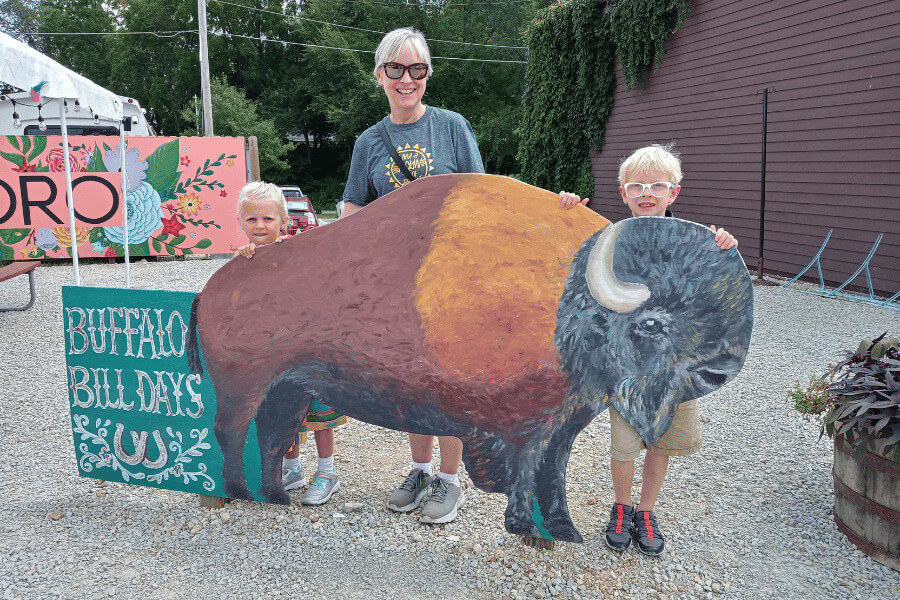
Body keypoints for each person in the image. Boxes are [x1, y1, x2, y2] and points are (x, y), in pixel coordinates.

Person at [340, 27, 585, 524]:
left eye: (418, 69)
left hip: (451, 282)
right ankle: (419, 468)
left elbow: (483, 197)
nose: (407, 79)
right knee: (411, 381)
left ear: (428, 75)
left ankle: (450, 481)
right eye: (396, 69)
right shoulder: (369, 141)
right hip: (395, 285)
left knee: (449, 381)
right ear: (380, 74)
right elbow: (351, 206)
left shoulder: (451, 126)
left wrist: (555, 215)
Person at [600, 143, 738, 556]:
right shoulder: (610, 242)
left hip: (678, 366)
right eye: (636, 185)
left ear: (673, 193)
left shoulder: (698, 243)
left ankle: (646, 510)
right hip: (626, 364)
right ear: (623, 193)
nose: (647, 193)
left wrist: (725, 248)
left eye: (657, 185)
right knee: (625, 443)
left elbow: (719, 296)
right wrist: (567, 208)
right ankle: (621, 507)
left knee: (663, 441)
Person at [236, 181, 347, 506]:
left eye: (268, 219)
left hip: (306, 351)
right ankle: (292, 467)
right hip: (272, 356)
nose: (260, 226)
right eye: (252, 219)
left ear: (283, 221)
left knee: (319, 411)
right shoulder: (244, 260)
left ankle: (327, 472)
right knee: (283, 412)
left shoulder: (297, 252)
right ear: (241, 222)